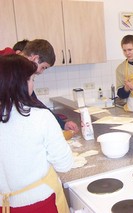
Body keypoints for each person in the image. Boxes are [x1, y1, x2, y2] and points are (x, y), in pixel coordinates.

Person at [0, 54, 73, 212]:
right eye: (32, 79)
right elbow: (64, 164)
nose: (33, 85)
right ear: (20, 83)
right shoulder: (40, 117)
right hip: (41, 202)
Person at [0, 39, 79, 133]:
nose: (41, 72)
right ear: (35, 59)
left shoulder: (17, 69)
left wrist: (62, 124)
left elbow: (34, 102)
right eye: (43, 67)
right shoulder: (9, 68)